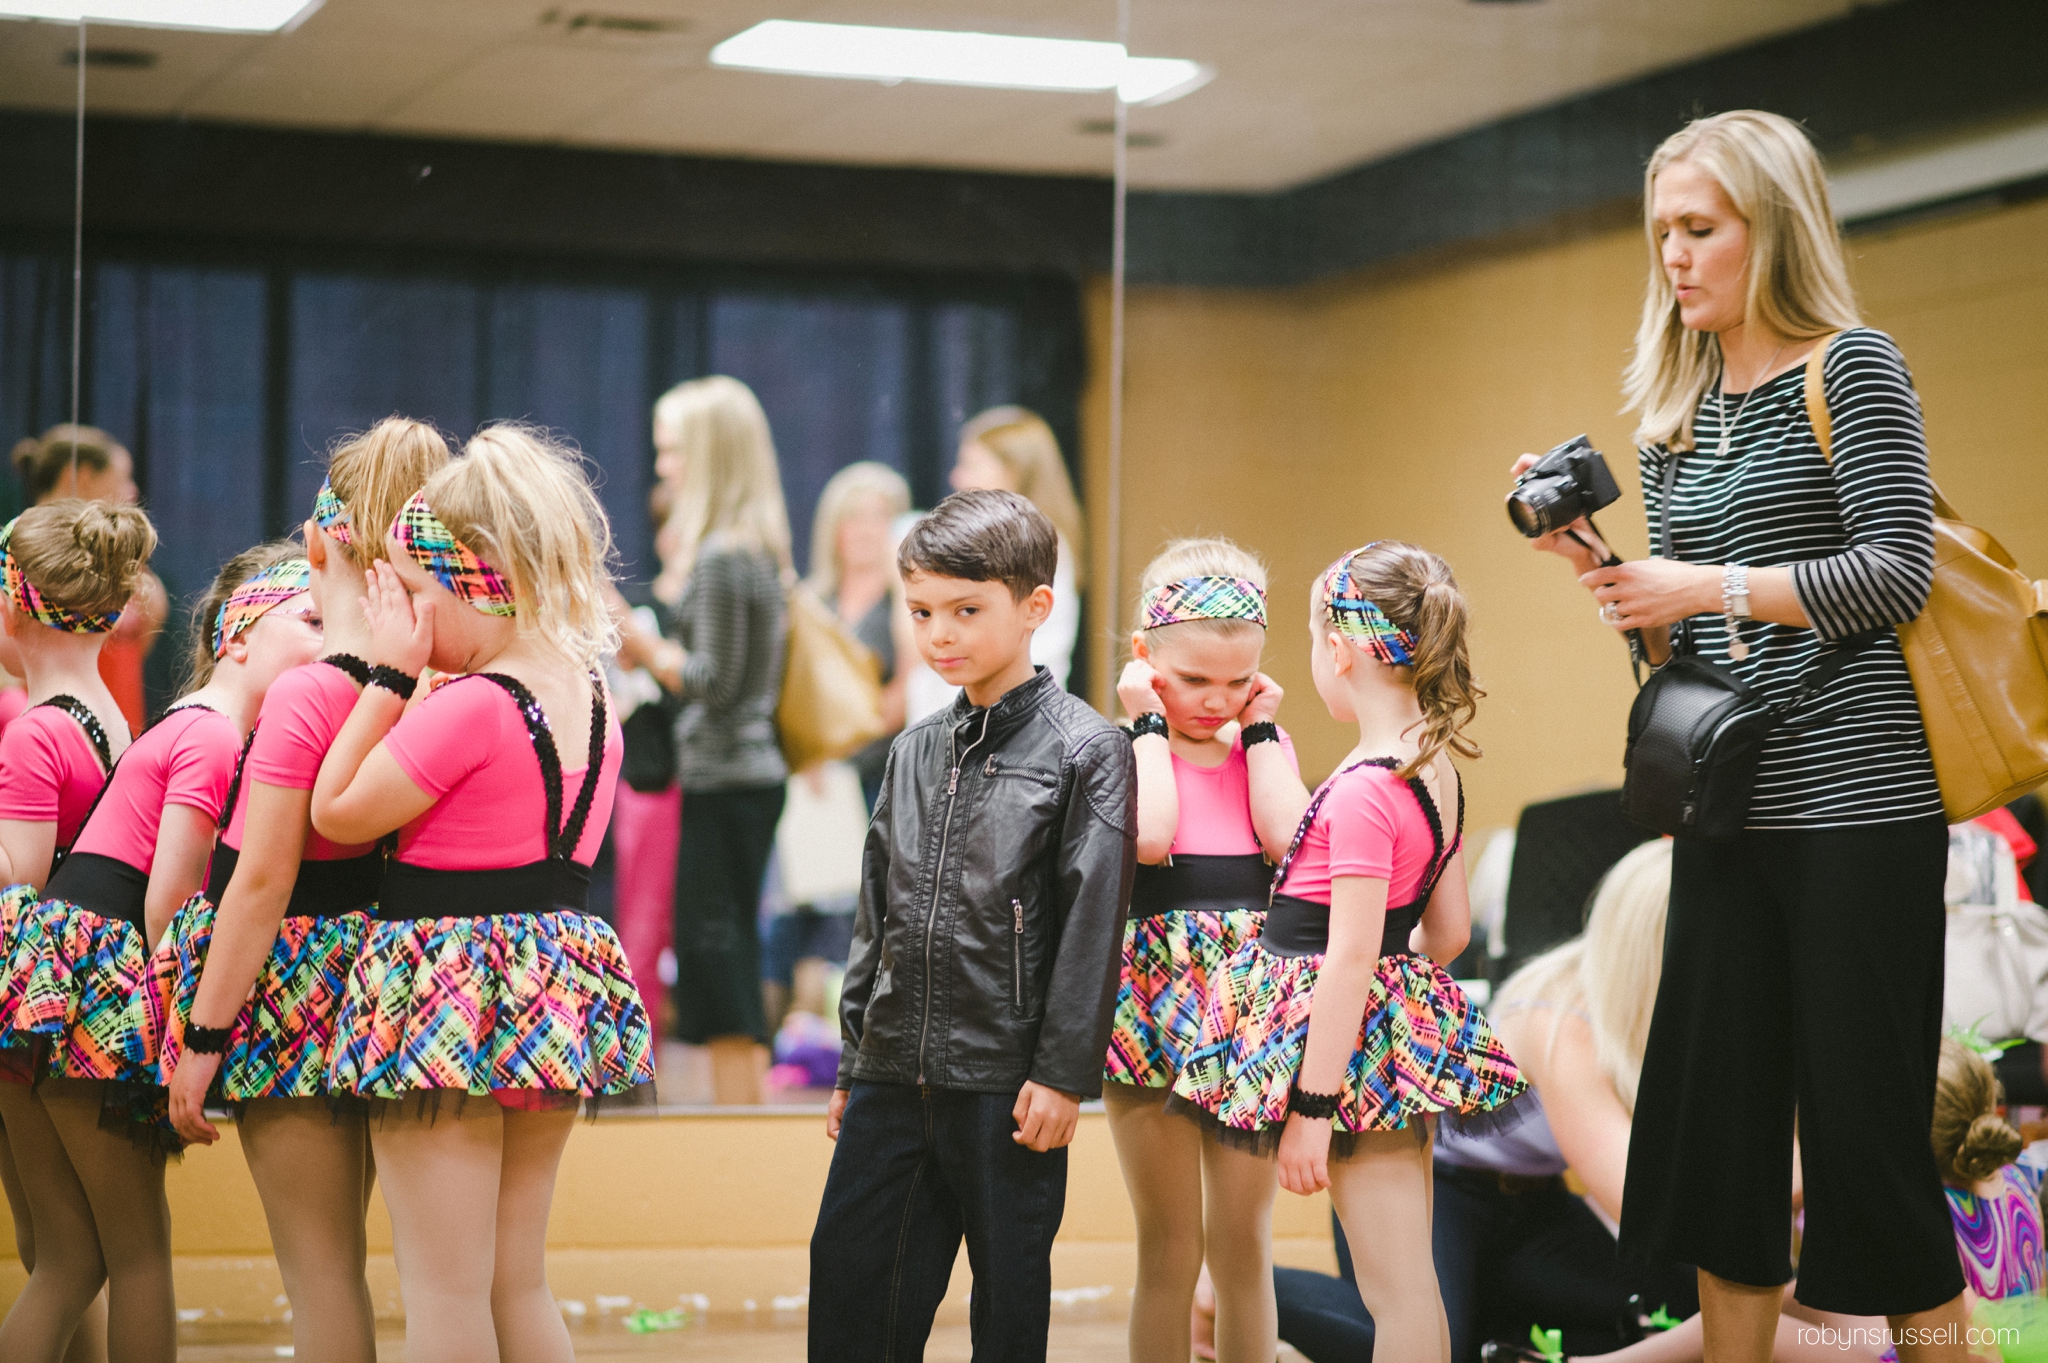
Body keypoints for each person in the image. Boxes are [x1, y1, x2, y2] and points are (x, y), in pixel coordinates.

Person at [1514, 109, 1968, 1360]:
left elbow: (1891, 573)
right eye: (1659, 229)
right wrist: (1611, 577)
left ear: (1768, 227)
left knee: (1868, 1153)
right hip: (1725, 812)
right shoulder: (1672, 413)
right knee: (1718, 1147)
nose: (1672, 253)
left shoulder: (1850, 365)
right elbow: (1686, 663)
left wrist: (1703, 581)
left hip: (1857, 813)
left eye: (1697, 227)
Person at [309, 424, 653, 1362]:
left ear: (472, 582)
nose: (407, 623)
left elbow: (336, 810)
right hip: (547, 982)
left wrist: (387, 676)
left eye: (414, 599)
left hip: (447, 991)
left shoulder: (473, 702)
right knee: (516, 1279)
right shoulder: (588, 690)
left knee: (442, 1291)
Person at [1171, 541, 1526, 1363]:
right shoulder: (1434, 764)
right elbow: (1451, 932)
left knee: (1394, 1295)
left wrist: (1314, 1108)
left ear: (1340, 649)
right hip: (1382, 1042)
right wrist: (1403, 1013)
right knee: (1412, 1287)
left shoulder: (1367, 785)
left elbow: (1351, 954)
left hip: (1347, 1064)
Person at [809, 488, 1136, 1363]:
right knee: (849, 1280)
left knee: (1008, 1300)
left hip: (1008, 1082)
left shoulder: (1085, 747)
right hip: (892, 1072)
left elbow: (1092, 925)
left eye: (965, 609)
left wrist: (1065, 1074)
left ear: (1035, 607)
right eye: (921, 612)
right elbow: (874, 913)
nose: (939, 633)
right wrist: (854, 1056)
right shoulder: (913, 749)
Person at [159, 417, 450, 1363]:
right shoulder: (445, 683)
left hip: (294, 984)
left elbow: (260, 881)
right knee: (407, 1273)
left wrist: (202, 1034)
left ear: (322, 538)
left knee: (320, 1269)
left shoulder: (309, 693)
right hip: (395, 977)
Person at [1266, 839, 1700, 1363]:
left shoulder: (1650, 1016)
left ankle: (1485, 1315)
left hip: (1533, 1204)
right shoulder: (1563, 1018)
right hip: (1440, 1193)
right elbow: (1642, 1205)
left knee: (1669, 1303)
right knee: (1429, 1345)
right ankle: (1242, 1286)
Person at [1107, 537, 1308, 1363]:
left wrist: (1260, 732)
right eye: (1193, 680)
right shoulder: (1117, 751)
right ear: (1144, 657)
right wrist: (1148, 723)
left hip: (1247, 1011)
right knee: (1168, 1246)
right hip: (1150, 1001)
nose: (1216, 701)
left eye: (1239, 682)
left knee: (1241, 1246)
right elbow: (1151, 838)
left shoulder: (1263, 747)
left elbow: (1290, 839)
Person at [0, 500, 159, 1360]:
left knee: (62, 1251)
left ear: (14, 600)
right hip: (63, 995)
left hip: (32, 998)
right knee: (53, 1245)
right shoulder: (107, 715)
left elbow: (18, 869)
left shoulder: (35, 731)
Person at [626, 376, 791, 1106]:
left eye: (673, 451)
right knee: (720, 956)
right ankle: (739, 1113)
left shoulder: (723, 556)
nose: (663, 467)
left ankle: (739, 1123)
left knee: (717, 958)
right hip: (736, 776)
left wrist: (642, 644)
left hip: (726, 778)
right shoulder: (747, 549)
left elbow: (714, 680)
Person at [12, 426, 167, 735]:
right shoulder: (15, 553)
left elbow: (151, 621)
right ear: (81, 474)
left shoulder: (114, 556)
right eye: (123, 477)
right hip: (48, 733)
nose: (132, 491)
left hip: (116, 731)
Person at [925, 406, 1084, 697]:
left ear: (1012, 472)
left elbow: (1036, 653)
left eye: (971, 465)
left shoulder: (1037, 547)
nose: (956, 478)